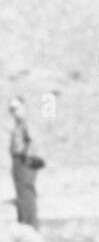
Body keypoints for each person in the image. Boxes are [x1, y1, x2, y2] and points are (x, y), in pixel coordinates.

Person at [8, 96, 44, 229]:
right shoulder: (18, 123)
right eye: (11, 109)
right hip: (18, 161)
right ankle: (24, 224)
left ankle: (31, 227)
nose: (13, 112)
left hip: (25, 162)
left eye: (15, 108)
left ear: (23, 107)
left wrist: (26, 157)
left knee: (26, 194)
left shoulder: (27, 122)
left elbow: (33, 141)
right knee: (21, 194)